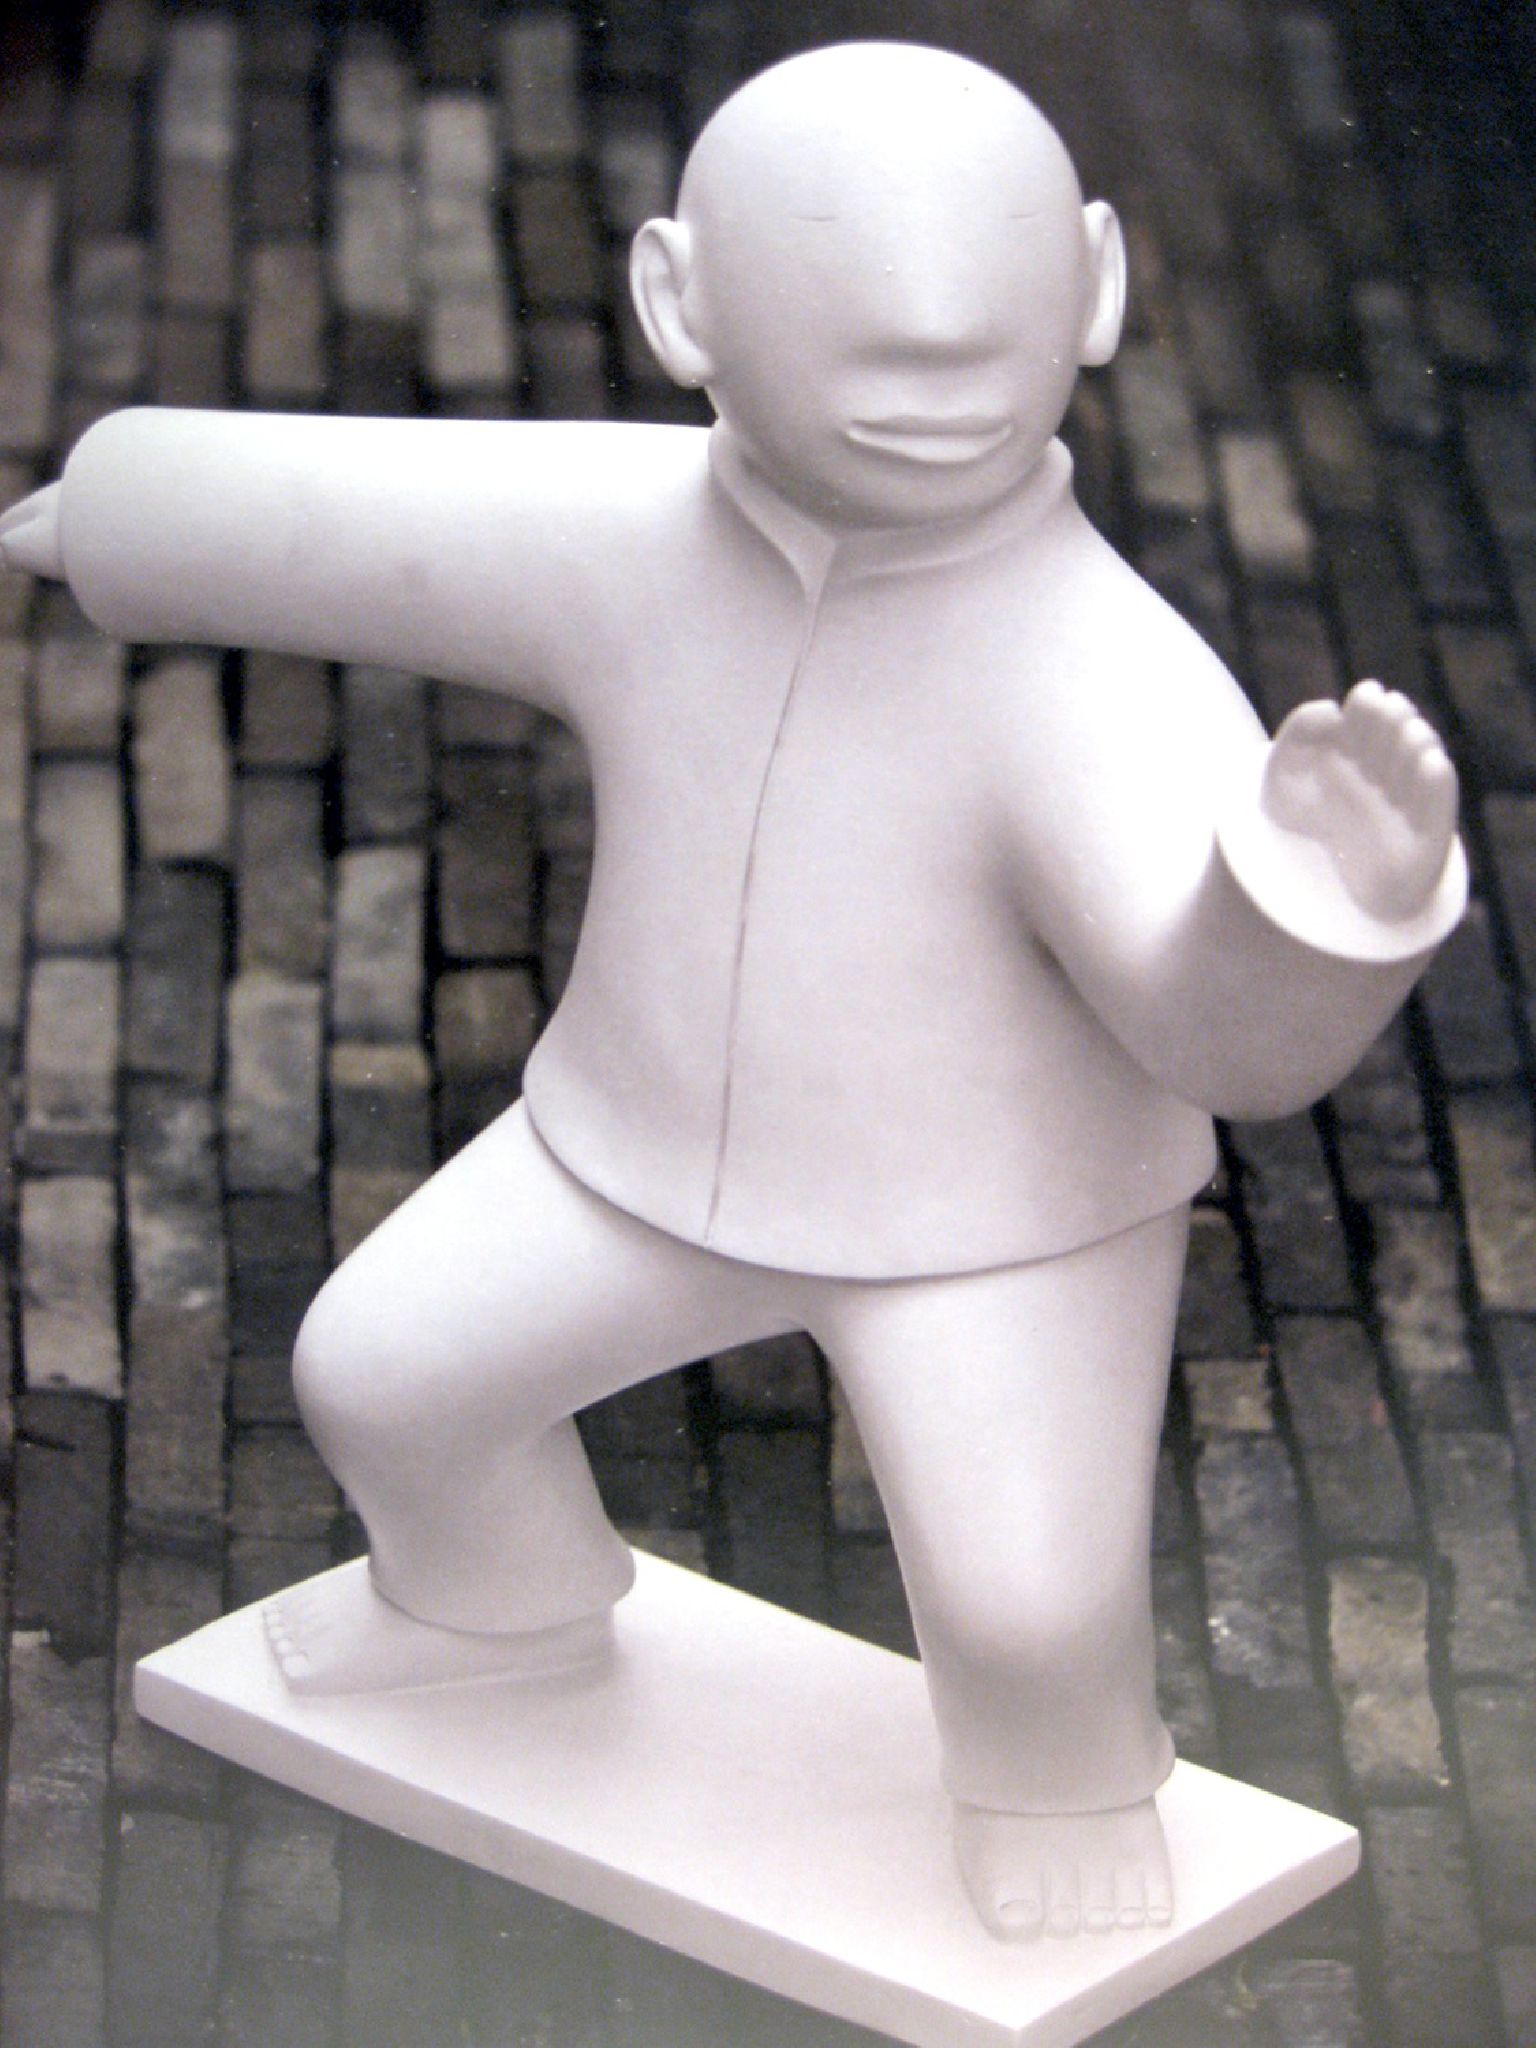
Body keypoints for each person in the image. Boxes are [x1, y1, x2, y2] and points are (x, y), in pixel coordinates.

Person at [0, 42, 1464, 1944]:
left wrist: (1322, 904)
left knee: (1030, 1614)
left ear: (1092, 288)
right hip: (630, 1149)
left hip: (999, 1230)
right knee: (384, 1382)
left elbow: (1210, 1033)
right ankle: (495, 1607)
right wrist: (125, 514)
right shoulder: (635, 539)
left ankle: (1062, 1778)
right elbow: (371, 519)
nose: (933, 358)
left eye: (985, 301)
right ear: (675, 304)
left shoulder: (1101, 672)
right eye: (851, 299)